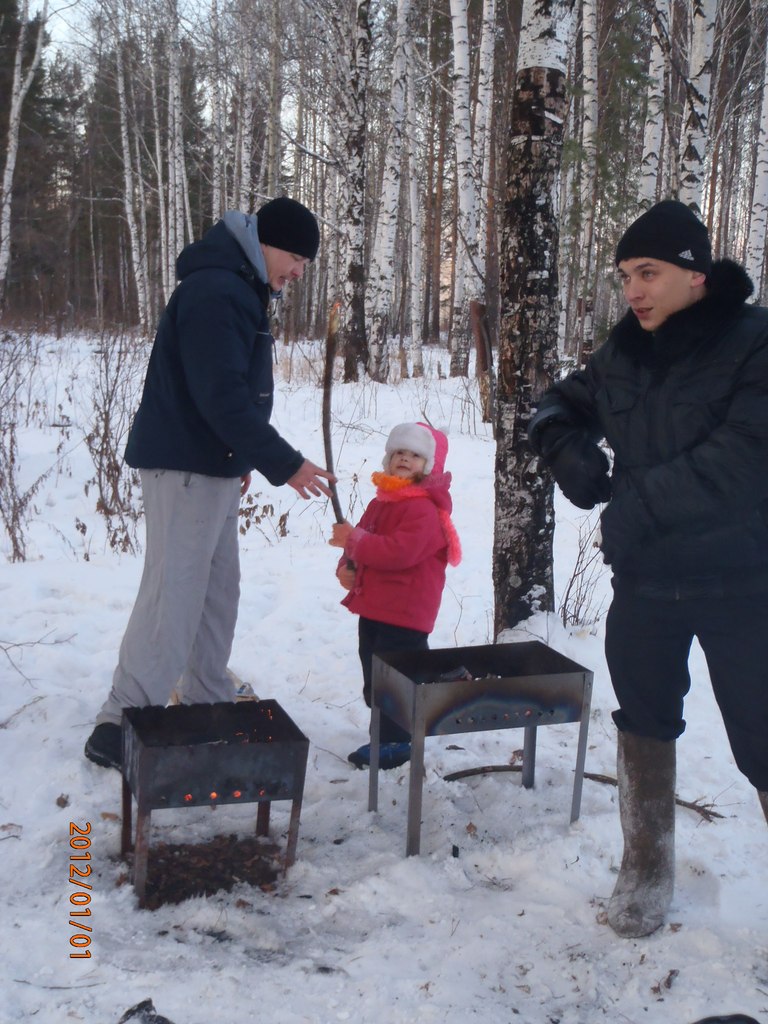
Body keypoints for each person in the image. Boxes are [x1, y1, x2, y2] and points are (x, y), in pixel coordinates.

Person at [528, 199, 768, 938]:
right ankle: (646, 867)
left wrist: (632, 509)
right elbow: (553, 408)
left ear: (694, 274)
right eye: (627, 274)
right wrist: (569, 452)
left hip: (741, 582)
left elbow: (743, 458)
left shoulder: (754, 342)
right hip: (646, 585)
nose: (633, 290)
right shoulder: (624, 350)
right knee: (643, 720)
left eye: (649, 273)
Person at [84, 197, 335, 770]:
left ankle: (206, 698)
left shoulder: (237, 286)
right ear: (264, 242)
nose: (298, 271)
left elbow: (228, 395)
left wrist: (240, 458)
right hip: (186, 465)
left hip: (212, 464)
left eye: (305, 262)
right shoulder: (217, 290)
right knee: (174, 593)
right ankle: (121, 719)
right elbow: (218, 395)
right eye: (295, 256)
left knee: (217, 592)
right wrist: (283, 462)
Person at [330, 422, 461, 770]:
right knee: (374, 670)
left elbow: (398, 552)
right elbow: (363, 536)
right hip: (375, 606)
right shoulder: (383, 501)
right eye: (399, 453)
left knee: (397, 675)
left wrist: (354, 543)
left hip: (405, 612)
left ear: (428, 465)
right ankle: (385, 732)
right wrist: (348, 562)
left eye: (414, 455)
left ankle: (397, 741)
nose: (404, 459)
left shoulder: (423, 509)